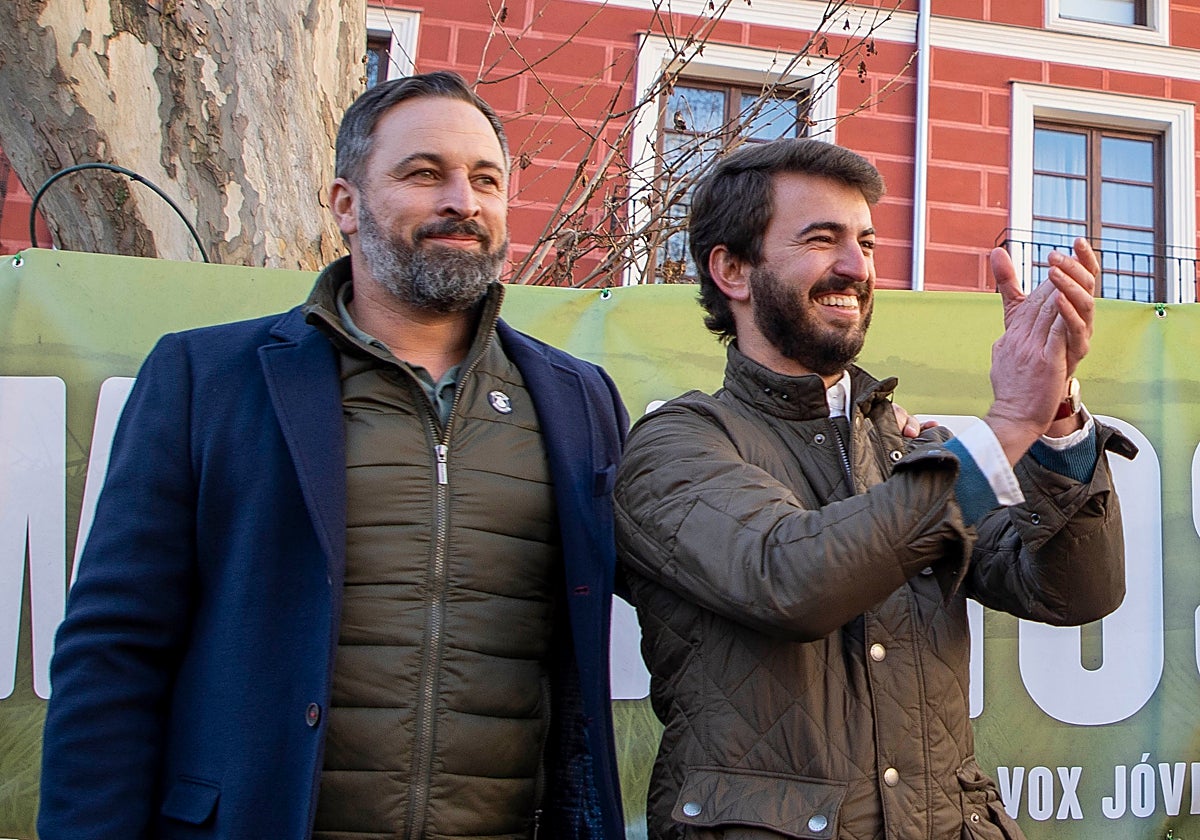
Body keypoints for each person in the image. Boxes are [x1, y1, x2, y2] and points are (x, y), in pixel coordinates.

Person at [39, 71, 627, 840]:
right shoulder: (207, 377)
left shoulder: (579, 400)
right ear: (346, 205)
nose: (463, 200)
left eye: (486, 179)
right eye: (424, 173)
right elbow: (113, 650)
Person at [614, 138, 1135, 840]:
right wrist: (1009, 421)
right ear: (732, 269)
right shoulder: (676, 446)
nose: (857, 268)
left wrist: (1057, 415)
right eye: (822, 240)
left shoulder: (906, 449)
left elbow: (1074, 593)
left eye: (864, 241)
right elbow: (790, 577)